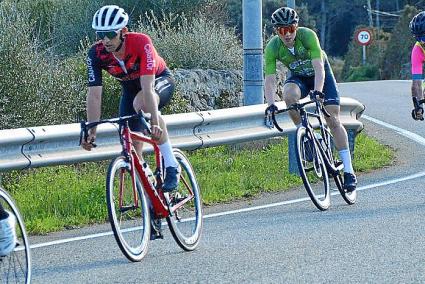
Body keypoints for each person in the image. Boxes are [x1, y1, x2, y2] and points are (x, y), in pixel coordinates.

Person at [81, 5, 180, 193]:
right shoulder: (96, 53)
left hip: (158, 81)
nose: (105, 40)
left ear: (123, 31)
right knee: (132, 149)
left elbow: (148, 88)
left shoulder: (141, 42)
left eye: (110, 34)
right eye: (100, 35)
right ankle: (152, 198)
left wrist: (155, 122)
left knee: (141, 104)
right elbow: (94, 95)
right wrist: (92, 129)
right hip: (129, 89)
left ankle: (171, 164)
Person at [263, 7, 357, 192]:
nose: (287, 34)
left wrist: (317, 92)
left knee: (333, 119)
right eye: (282, 30)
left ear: (296, 26)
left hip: (321, 75)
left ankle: (349, 171)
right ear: (276, 31)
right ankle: (307, 134)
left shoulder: (307, 36)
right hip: (298, 78)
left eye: (291, 28)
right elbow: (270, 79)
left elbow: (319, 68)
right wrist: (271, 104)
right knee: (288, 95)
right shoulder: (273, 47)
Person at [409, 11, 425, 120]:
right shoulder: (418, 49)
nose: (422, 42)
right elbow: (416, 83)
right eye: (418, 38)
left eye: (424, 37)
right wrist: (418, 106)